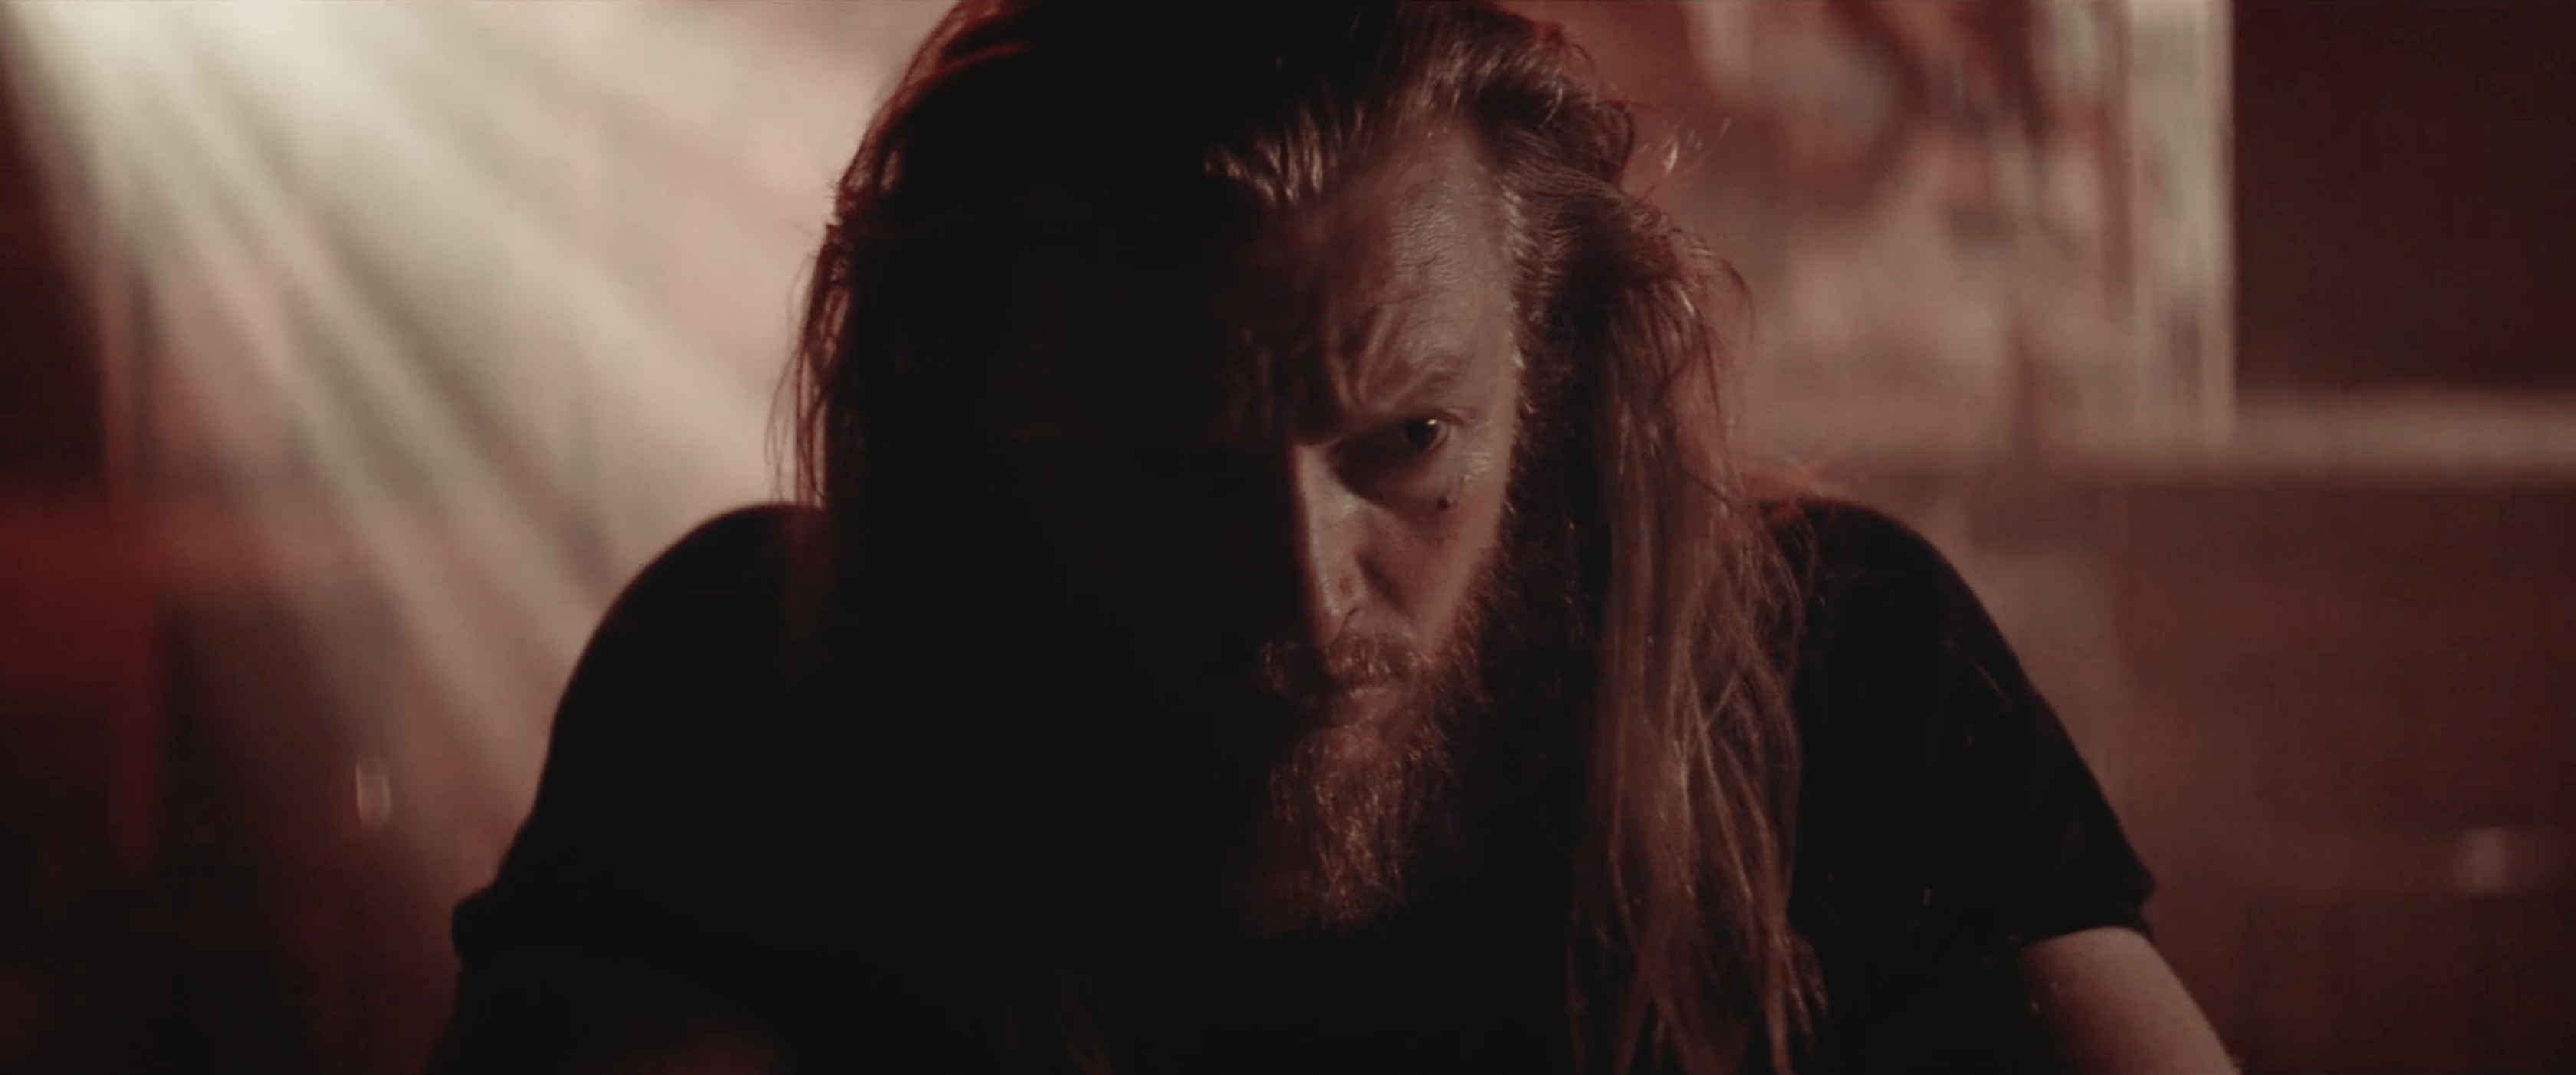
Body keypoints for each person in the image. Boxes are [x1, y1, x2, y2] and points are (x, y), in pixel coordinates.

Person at [427, 2, 2233, 1072]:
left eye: (1406, 440)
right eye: (1163, 459)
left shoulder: (1829, 664)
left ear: (1554, 382)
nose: (1296, 583)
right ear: (976, 423)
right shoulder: (754, 689)